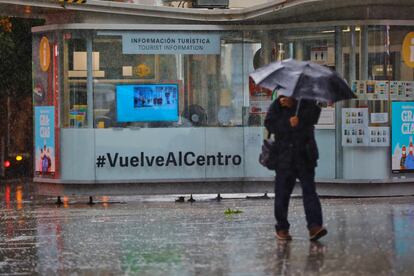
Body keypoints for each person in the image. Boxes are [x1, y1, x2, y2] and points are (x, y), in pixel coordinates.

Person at [264, 95, 327, 241]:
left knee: (309, 192)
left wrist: (297, 114)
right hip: (284, 156)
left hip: (305, 154)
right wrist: (287, 122)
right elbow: (269, 124)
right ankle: (282, 227)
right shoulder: (278, 104)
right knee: (282, 193)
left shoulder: (308, 101)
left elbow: (313, 118)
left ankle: (314, 226)